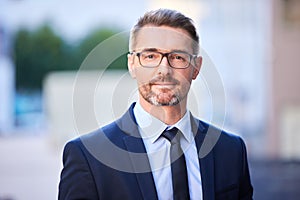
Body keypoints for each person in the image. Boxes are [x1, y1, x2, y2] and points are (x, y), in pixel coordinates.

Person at [58, 9, 253, 200]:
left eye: (178, 57)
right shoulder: (88, 156)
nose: (164, 70)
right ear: (132, 64)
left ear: (196, 67)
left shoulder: (231, 151)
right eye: (150, 56)